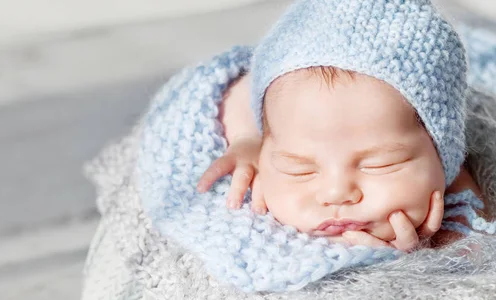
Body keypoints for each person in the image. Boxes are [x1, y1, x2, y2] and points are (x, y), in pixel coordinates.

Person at [197, 0, 488, 252]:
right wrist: (246, 140)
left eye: (380, 164)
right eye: (298, 168)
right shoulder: (271, 111)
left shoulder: (455, 178)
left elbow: (476, 247)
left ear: (444, 156)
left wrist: (432, 248)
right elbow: (234, 88)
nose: (336, 193)